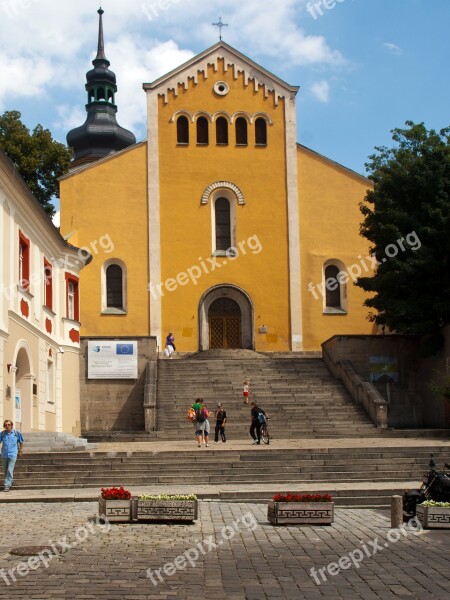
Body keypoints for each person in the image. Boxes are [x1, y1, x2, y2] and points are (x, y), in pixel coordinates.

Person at [0, 420, 24, 492]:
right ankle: (11, 480)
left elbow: (21, 442)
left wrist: (20, 450)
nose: (7, 426)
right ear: (4, 426)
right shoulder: (2, 434)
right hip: (4, 454)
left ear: (12, 425)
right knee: (5, 470)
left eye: (9, 425)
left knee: (10, 469)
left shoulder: (16, 433)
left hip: (13, 454)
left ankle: (7, 485)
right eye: (6, 425)